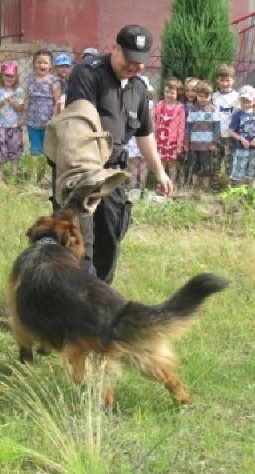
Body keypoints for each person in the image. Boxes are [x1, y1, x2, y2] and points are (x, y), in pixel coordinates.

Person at [64, 24, 173, 284]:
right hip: (83, 170)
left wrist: (160, 173)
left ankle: (101, 295)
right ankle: (78, 299)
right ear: (115, 48)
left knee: (111, 236)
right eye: (128, 59)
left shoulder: (137, 89)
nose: (133, 66)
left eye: (139, 62)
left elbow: (144, 134)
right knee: (81, 240)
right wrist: (87, 177)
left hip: (114, 172)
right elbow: (79, 124)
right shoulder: (87, 75)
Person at [23, 50, 61, 184]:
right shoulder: (30, 79)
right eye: (39, 62)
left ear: (50, 65)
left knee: (48, 149)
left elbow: (57, 101)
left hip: (47, 122)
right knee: (35, 148)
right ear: (34, 64)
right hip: (32, 121)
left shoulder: (54, 81)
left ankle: (47, 176)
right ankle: (33, 176)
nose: (42, 65)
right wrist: (24, 115)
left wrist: (53, 118)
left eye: (45, 62)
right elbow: (27, 98)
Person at [0, 62, 25, 180]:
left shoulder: (19, 91)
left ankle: (13, 174)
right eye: (7, 75)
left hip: (14, 126)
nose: (9, 78)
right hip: (0, 125)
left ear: (16, 77)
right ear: (2, 75)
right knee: (0, 150)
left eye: (12, 76)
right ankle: (0, 175)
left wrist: (14, 103)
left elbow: (21, 108)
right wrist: (2, 102)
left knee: (14, 150)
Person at [186, 80, 220, 190]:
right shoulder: (192, 110)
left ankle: (205, 187)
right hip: (194, 145)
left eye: (206, 96)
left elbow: (216, 128)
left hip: (207, 146)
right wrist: (186, 142)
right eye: (200, 96)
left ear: (211, 96)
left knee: (207, 167)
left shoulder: (213, 110)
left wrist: (214, 142)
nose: (203, 99)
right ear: (197, 95)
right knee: (194, 166)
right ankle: (194, 186)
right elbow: (188, 127)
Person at [211, 64, 240, 191]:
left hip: (230, 136)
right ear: (217, 80)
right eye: (222, 80)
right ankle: (215, 183)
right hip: (217, 135)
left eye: (227, 80)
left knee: (229, 161)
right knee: (215, 161)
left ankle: (230, 184)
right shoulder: (214, 96)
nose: (225, 83)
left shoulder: (237, 97)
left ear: (233, 80)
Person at [228, 85, 255, 186]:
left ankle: (250, 191)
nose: (245, 104)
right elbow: (231, 131)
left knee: (251, 170)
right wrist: (241, 139)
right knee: (238, 168)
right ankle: (236, 190)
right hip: (240, 148)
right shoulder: (237, 115)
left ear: (254, 101)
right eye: (243, 101)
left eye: (248, 101)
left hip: (253, 148)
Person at [126, 75, 155, 190]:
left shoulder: (150, 103)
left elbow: (151, 120)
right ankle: (133, 187)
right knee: (133, 162)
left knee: (144, 161)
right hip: (132, 134)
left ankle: (142, 187)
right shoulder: (129, 100)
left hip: (145, 133)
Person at [154, 77, 185, 185]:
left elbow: (181, 128)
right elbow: (155, 121)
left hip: (172, 142)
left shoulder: (180, 108)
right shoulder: (160, 105)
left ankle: (171, 184)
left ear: (178, 93)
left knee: (172, 165)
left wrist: (179, 144)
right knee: (161, 163)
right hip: (160, 141)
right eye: (166, 92)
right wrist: (154, 137)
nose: (169, 95)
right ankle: (161, 184)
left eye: (172, 92)